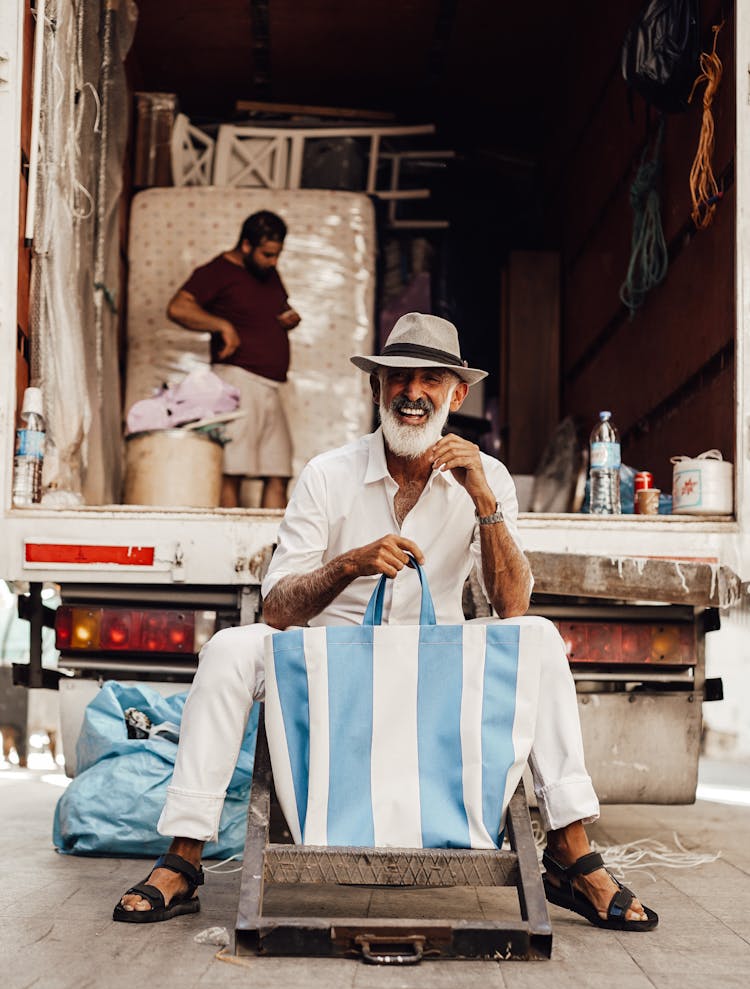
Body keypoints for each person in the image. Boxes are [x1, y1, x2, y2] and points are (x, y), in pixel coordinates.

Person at [114, 312, 658, 932]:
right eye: (398, 377)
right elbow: (277, 608)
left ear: (458, 394)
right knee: (230, 650)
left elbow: (511, 608)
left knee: (538, 640)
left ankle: (571, 849)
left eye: (431, 380)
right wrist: (350, 563)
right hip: (333, 664)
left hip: (437, 664)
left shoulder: (488, 479)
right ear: (376, 389)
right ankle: (183, 859)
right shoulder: (328, 475)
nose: (413, 392)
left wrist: (483, 501)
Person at [167, 210, 300, 509]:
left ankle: (277, 551)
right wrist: (222, 325)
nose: (274, 262)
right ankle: (231, 549)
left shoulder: (267, 272)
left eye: (277, 255)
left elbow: (276, 307)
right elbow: (177, 308)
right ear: (245, 245)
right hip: (238, 379)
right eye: (267, 254)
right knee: (233, 470)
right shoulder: (216, 271)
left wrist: (287, 317)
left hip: (271, 386)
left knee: (278, 472)